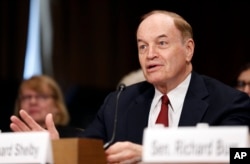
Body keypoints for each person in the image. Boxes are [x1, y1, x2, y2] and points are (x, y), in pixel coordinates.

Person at [10, 10, 250, 163]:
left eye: (162, 43)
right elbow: (90, 155)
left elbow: (240, 156)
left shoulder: (229, 101)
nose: (151, 54)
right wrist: (58, 149)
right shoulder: (119, 103)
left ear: (189, 49)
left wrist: (150, 154)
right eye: (142, 46)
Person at [13, 75, 83, 138]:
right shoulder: (7, 138)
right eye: (27, 97)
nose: (32, 102)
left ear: (57, 106)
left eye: (42, 97)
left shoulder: (76, 137)